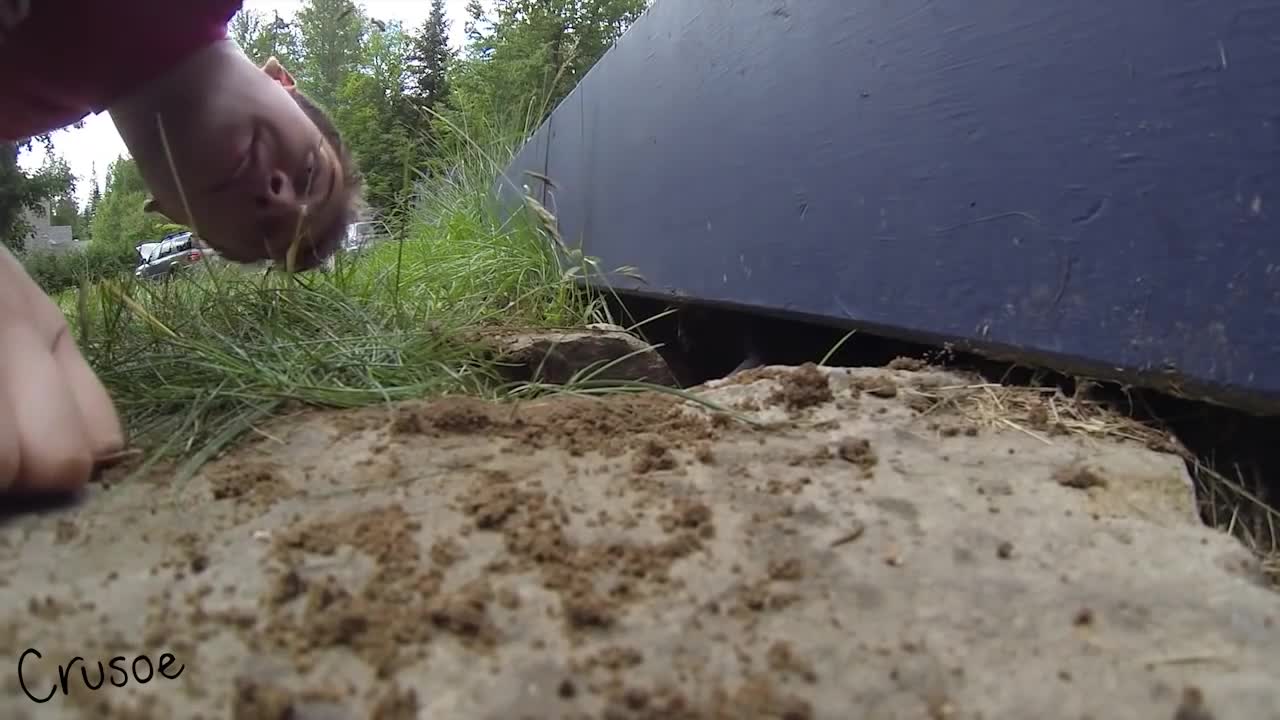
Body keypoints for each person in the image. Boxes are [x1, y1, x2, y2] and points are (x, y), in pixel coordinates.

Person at [0, 0, 363, 497]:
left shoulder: (16, 106)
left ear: (174, 215)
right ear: (280, 81)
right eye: (308, 173)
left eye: (261, 232)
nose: (277, 198)